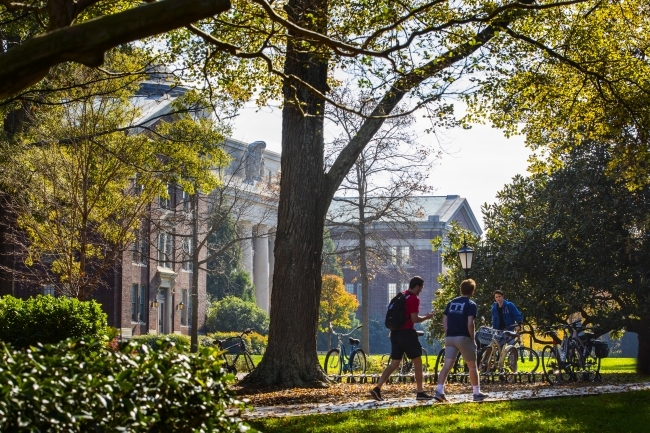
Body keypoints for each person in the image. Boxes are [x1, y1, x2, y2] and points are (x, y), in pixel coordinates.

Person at [370, 276, 435, 401]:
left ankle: (377, 388)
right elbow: (414, 319)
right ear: (417, 286)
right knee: (418, 361)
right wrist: (427, 317)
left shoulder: (401, 295)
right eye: (421, 288)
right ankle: (420, 392)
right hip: (407, 333)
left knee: (395, 363)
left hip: (394, 332)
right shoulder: (414, 299)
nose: (421, 290)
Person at [434, 279, 488, 402]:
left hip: (450, 338)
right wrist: (472, 338)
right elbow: (470, 323)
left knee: (447, 366)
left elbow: (444, 320)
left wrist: (448, 333)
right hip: (463, 337)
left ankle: (439, 391)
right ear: (472, 291)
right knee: (472, 366)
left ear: (461, 289)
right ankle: (476, 393)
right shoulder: (471, 304)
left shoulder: (451, 303)